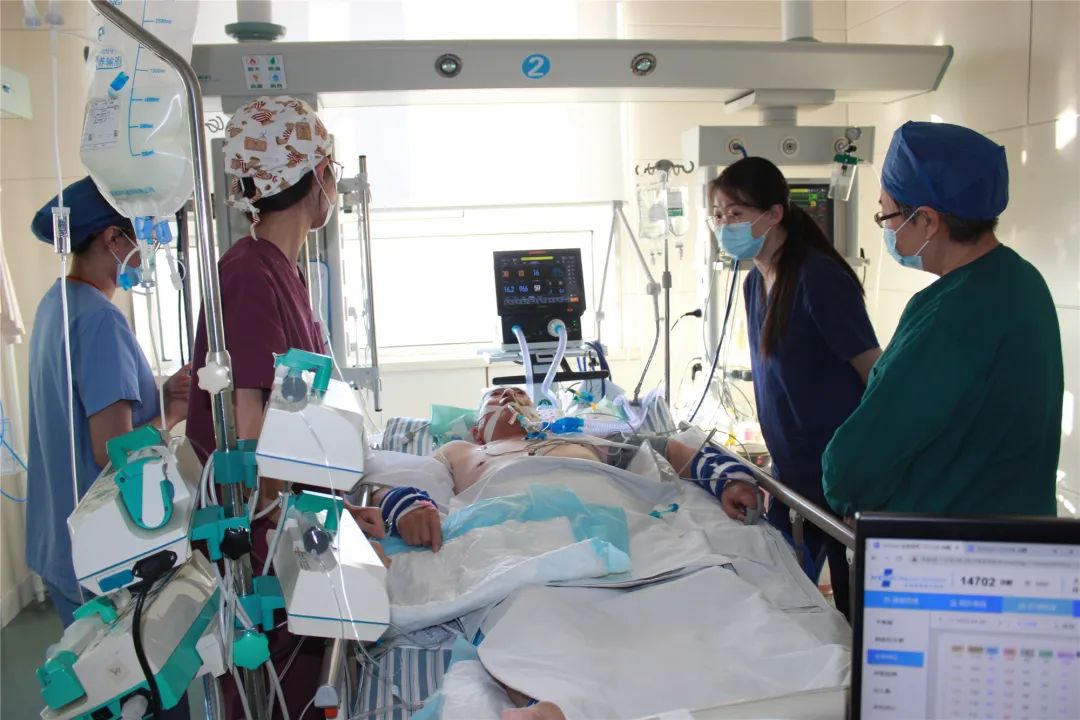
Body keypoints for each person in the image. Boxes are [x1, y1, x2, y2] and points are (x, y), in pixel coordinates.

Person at [185, 95, 385, 719]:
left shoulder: (283, 273)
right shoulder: (247, 275)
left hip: (286, 535)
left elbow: (298, 428)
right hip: (263, 556)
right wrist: (323, 535)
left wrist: (337, 514)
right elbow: (252, 446)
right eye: (333, 173)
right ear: (320, 175)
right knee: (276, 698)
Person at [823, 121, 1063, 517]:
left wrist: (841, 485)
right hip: (1020, 534)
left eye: (886, 215)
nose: (887, 228)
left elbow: (858, 461)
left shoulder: (952, 312)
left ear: (928, 220)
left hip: (950, 543)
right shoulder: (1022, 281)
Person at [26, 177, 191, 717]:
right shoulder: (101, 319)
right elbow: (112, 452)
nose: (146, 247)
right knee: (134, 693)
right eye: (140, 234)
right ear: (113, 239)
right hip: (103, 553)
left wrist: (160, 398)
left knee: (92, 692)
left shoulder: (56, 305)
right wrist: (172, 416)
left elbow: (80, 415)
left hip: (59, 542)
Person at [706, 157, 882, 618]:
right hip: (793, 479)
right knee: (781, 606)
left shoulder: (819, 279)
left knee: (853, 615)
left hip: (842, 479)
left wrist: (866, 478)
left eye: (736, 214)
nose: (724, 226)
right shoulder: (755, 284)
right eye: (718, 215)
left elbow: (877, 376)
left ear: (774, 214)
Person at [376, 386, 762, 550]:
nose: (509, 396)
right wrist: (405, 505)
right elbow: (402, 481)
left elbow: (667, 450)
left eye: (519, 395)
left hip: (608, 523)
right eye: (497, 397)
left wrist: (726, 478)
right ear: (478, 428)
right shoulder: (460, 450)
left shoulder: (582, 438)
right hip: (512, 535)